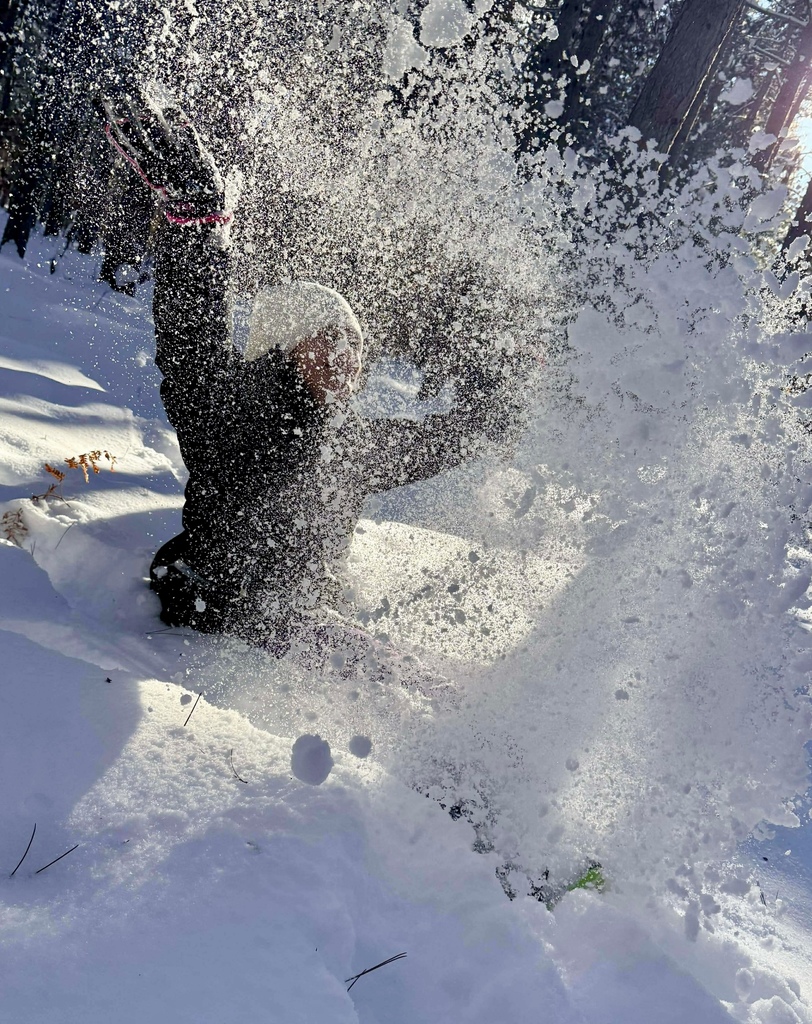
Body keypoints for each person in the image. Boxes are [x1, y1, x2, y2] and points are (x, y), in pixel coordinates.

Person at [104, 97, 513, 659]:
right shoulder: (232, 406)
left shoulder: (343, 441)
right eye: (334, 339)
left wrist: (494, 411)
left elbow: (431, 443)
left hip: (303, 633)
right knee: (389, 674)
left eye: (357, 347)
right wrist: (197, 223)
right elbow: (188, 340)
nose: (351, 358)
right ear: (287, 340)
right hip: (221, 627)